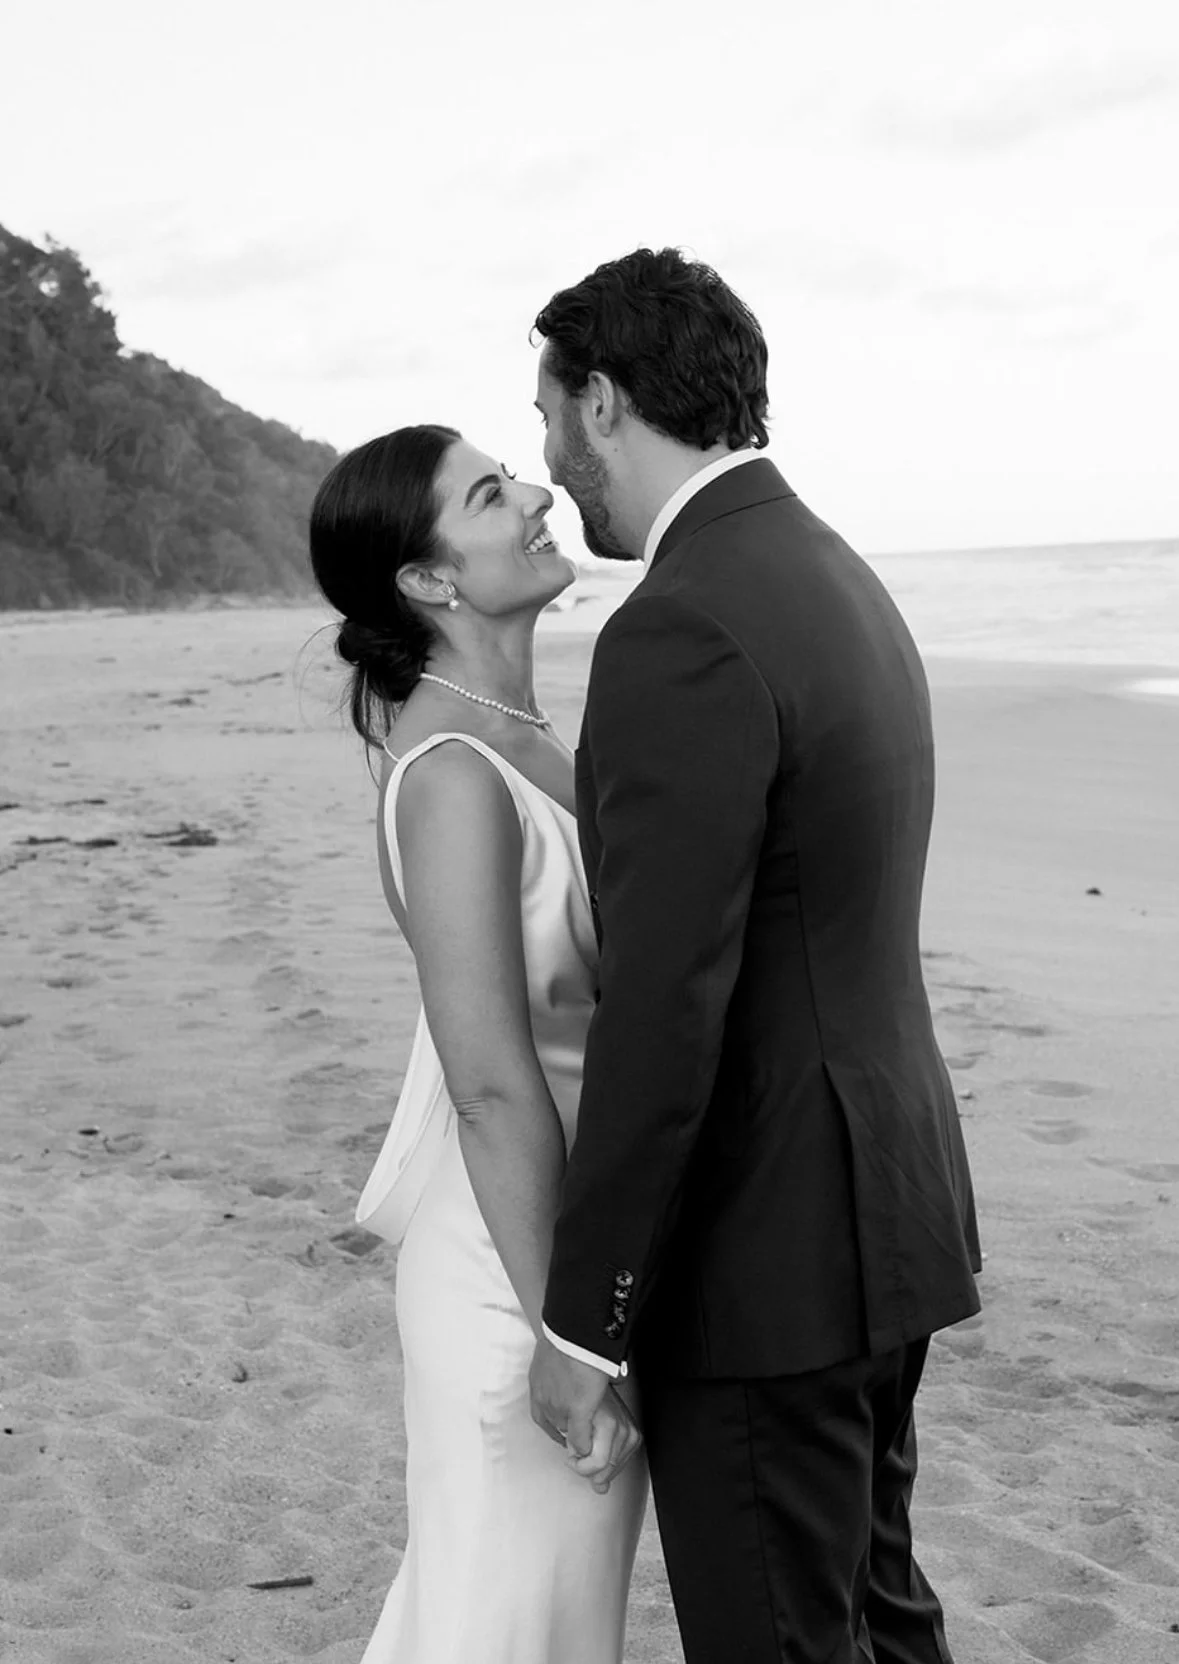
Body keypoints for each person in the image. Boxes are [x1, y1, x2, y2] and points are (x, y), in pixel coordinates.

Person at [527, 248, 983, 1664]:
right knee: (876, 1622)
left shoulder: (678, 627)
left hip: (763, 1264)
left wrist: (584, 1321)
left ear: (602, 400)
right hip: (885, 1211)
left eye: (546, 414)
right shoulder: (829, 571)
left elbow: (667, 1012)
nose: (546, 460)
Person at [309, 425, 646, 1664]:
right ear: (429, 580)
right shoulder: (451, 773)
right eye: (494, 495)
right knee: (499, 1621)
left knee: (537, 1623)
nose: (541, 495)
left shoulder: (537, 740)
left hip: (577, 1243)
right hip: (517, 1272)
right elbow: (495, 1085)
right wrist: (572, 1331)